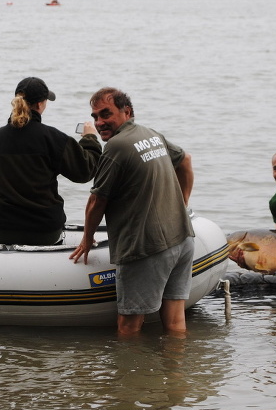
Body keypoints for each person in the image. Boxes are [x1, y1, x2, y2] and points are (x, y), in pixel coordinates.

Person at [69, 87, 195, 336]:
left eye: (106, 114)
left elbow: (96, 201)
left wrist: (87, 238)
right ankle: (177, 373)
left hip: (147, 248)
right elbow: (186, 160)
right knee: (175, 323)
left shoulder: (116, 146)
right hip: (182, 239)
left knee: (128, 328)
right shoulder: (150, 134)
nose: (99, 122)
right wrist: (182, 205)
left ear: (127, 112)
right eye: (95, 117)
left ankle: (129, 374)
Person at [0, 77, 101, 245]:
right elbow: (85, 171)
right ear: (40, 104)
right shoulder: (53, 138)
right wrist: (90, 138)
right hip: (43, 230)